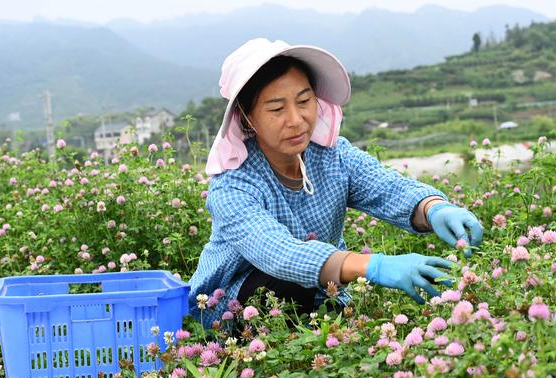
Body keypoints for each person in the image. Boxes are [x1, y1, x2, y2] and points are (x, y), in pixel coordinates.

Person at [188, 38, 483, 329]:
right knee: (287, 283)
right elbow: (279, 253)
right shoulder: (232, 186)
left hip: (322, 295)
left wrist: (432, 208)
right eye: (276, 109)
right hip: (234, 307)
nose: (296, 119)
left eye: (304, 101)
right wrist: (374, 266)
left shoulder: (332, 157)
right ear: (248, 117)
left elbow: (386, 187)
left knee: (312, 297)